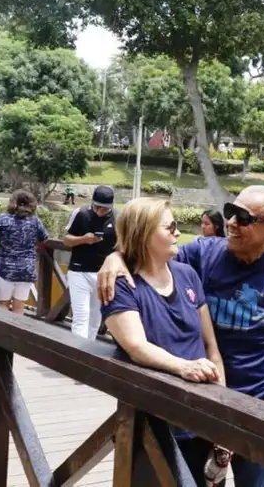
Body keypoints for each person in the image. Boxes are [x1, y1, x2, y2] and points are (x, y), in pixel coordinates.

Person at [97, 185, 264, 487]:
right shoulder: (204, 252)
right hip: (203, 402)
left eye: (244, 218)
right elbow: (148, 248)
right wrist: (116, 257)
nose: (232, 222)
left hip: (259, 404)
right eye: (230, 212)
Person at [100, 197, 227, 484]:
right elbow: (135, 345)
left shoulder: (187, 275)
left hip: (203, 420)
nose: (178, 233)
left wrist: (223, 418)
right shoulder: (121, 284)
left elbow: (211, 348)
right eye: (170, 227)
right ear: (144, 234)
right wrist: (183, 367)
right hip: (154, 424)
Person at [63, 186, 117, 340]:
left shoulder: (117, 218)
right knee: (81, 315)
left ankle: (88, 348)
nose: (100, 211)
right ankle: (77, 353)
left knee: (95, 316)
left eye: (104, 209)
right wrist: (83, 239)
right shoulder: (80, 213)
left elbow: (122, 246)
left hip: (104, 273)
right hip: (79, 271)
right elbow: (66, 240)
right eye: (97, 207)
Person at [0, 189, 50, 313]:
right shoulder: (35, 221)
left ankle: (2, 331)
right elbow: (44, 239)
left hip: (5, 269)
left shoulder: (3, 219)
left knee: (3, 303)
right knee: (19, 305)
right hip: (26, 269)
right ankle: (16, 331)